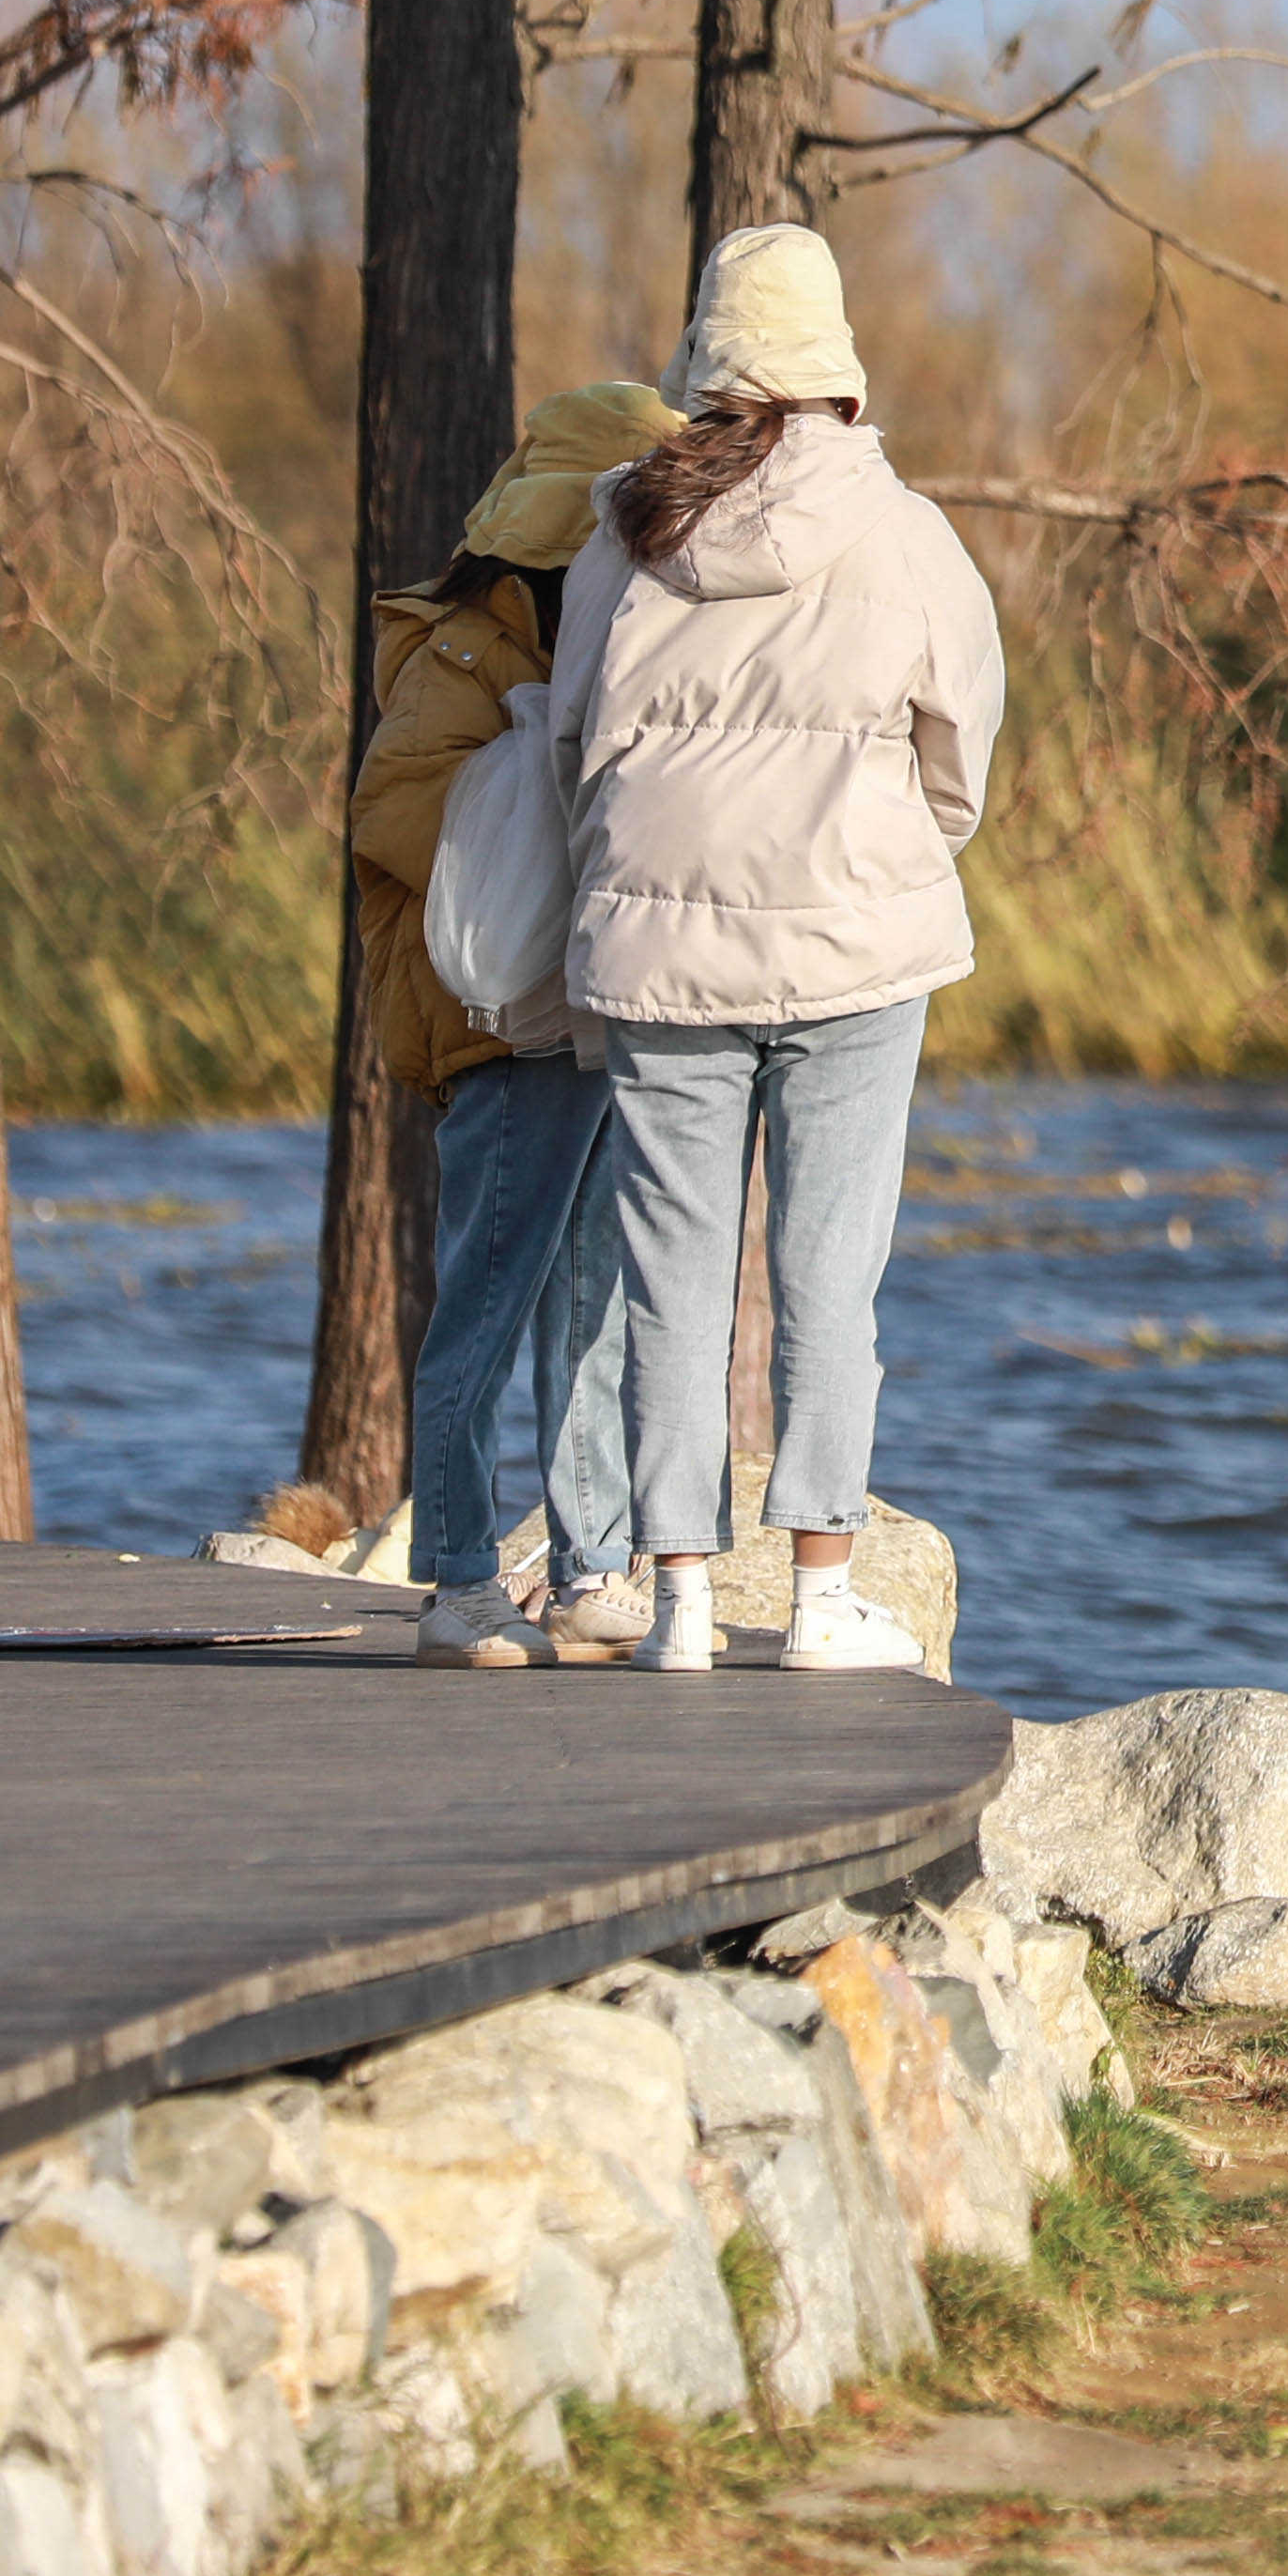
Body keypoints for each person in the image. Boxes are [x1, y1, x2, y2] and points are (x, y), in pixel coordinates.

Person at [552, 224, 1008, 1676]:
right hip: (854, 941)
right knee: (829, 1273)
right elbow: (962, 756)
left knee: (669, 1275)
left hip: (660, 946)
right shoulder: (908, 531)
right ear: (838, 371)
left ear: (709, 361)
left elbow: (573, 739)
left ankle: (678, 1598)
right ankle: (819, 1596)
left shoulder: (623, 525)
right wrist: (898, 852)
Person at [343, 379, 679, 1663]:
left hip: (588, 1017)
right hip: (497, 1035)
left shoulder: (575, 642)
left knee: (591, 1303)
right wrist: (528, 795)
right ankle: (457, 1577)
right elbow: (392, 813)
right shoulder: (465, 653)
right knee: (484, 1302)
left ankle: (593, 1566)